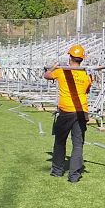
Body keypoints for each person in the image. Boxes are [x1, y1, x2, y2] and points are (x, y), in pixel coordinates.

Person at [43, 44, 91, 183]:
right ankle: (74, 176)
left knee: (60, 141)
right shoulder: (86, 75)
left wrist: (53, 67)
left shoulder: (61, 71)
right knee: (78, 144)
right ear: (82, 59)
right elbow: (87, 90)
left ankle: (57, 171)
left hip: (65, 111)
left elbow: (46, 75)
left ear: (70, 57)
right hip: (81, 111)